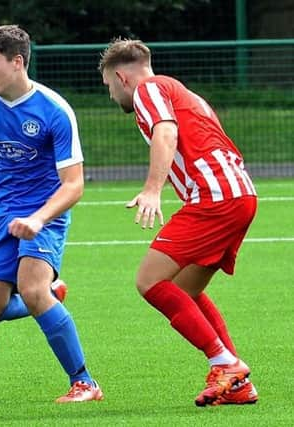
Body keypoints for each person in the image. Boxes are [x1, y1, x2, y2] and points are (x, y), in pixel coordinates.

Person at [0, 25, 102, 403]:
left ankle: (84, 382)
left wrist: (38, 219)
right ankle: (52, 295)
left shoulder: (54, 110)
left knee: (32, 290)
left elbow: (73, 185)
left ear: (17, 62)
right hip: (0, 217)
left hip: (43, 214)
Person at [98, 38, 258, 406]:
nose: (110, 95)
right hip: (238, 193)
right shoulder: (182, 91)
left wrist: (153, 189)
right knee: (184, 290)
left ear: (121, 76)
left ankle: (227, 365)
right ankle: (236, 383)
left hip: (215, 196)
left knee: (149, 281)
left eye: (108, 86)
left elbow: (166, 131)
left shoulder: (149, 88)